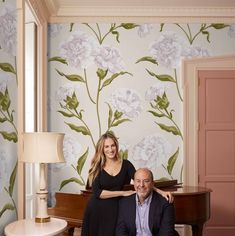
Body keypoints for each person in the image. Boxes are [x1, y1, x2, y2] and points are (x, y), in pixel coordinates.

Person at [81, 131, 173, 236]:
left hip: (115, 209)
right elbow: (97, 192)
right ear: (102, 149)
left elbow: (141, 181)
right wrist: (122, 193)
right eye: (106, 147)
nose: (110, 149)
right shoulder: (97, 166)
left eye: (112, 145)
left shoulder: (126, 164)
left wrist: (161, 192)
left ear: (116, 145)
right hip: (96, 209)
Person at [116, 168, 178, 236]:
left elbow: (166, 233)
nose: (141, 185)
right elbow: (121, 232)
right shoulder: (124, 203)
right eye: (138, 181)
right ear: (134, 184)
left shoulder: (165, 203)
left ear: (152, 184)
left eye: (146, 181)